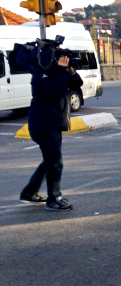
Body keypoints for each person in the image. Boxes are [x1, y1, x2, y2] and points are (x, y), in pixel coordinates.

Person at [19, 55, 82, 211]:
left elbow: (77, 84)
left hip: (52, 123)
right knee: (54, 162)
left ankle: (29, 192)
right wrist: (61, 70)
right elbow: (55, 90)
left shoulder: (57, 73)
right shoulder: (41, 74)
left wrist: (70, 71)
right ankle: (54, 199)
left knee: (49, 160)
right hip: (43, 124)